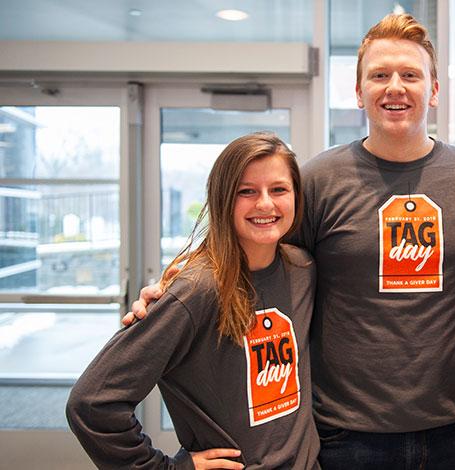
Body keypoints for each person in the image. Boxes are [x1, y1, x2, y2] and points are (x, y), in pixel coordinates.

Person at [124, 14, 455, 469]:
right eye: (379, 75)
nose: (394, 87)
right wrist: (180, 284)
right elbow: (259, 252)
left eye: (410, 75)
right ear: (359, 92)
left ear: (434, 90)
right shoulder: (318, 179)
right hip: (344, 433)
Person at [67, 133, 319, 469]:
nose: (265, 204)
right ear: (222, 198)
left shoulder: (303, 269)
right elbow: (92, 403)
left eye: (278, 190)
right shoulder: (196, 289)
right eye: (246, 191)